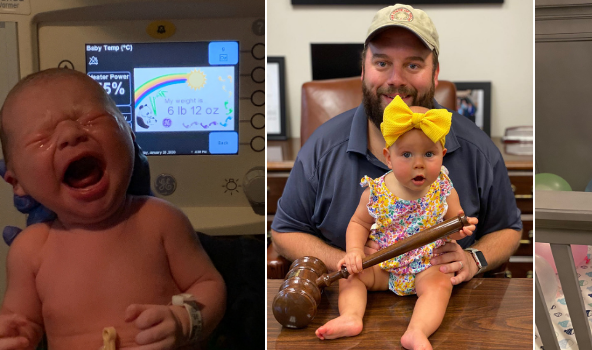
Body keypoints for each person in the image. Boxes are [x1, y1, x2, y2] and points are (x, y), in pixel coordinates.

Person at [270, 3, 522, 289]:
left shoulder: (476, 147)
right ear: (363, 71)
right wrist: (346, 261)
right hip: (351, 299)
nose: (396, 80)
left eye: (413, 65)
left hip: (449, 302)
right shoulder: (322, 148)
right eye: (382, 63)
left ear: (435, 74)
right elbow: (284, 232)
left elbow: (508, 229)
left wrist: (473, 259)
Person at [0, 68, 226, 349]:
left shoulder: (159, 220)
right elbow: (21, 322)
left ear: (131, 137)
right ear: (16, 181)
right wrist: (12, 333)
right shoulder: (30, 250)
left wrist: (184, 321)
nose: (71, 133)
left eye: (91, 119)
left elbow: (209, 284)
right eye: (41, 138)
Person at [314, 96, 479, 349]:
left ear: (442, 155)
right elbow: (358, 223)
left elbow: (454, 224)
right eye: (406, 154)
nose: (419, 163)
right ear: (388, 158)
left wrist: (462, 228)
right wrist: (355, 252)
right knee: (351, 276)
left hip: (426, 264)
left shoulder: (445, 189)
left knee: (440, 285)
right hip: (382, 262)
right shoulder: (376, 192)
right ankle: (350, 316)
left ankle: (416, 331)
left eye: (429, 153)